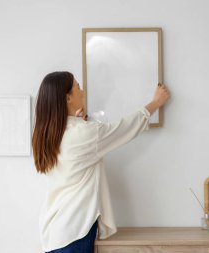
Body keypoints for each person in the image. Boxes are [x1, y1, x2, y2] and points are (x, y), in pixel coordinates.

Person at [32, 71, 170, 253]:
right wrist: (156, 103)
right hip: (75, 232)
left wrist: (81, 122)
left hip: (54, 232)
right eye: (78, 87)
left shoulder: (46, 135)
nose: (82, 91)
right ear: (68, 98)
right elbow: (124, 127)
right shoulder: (84, 133)